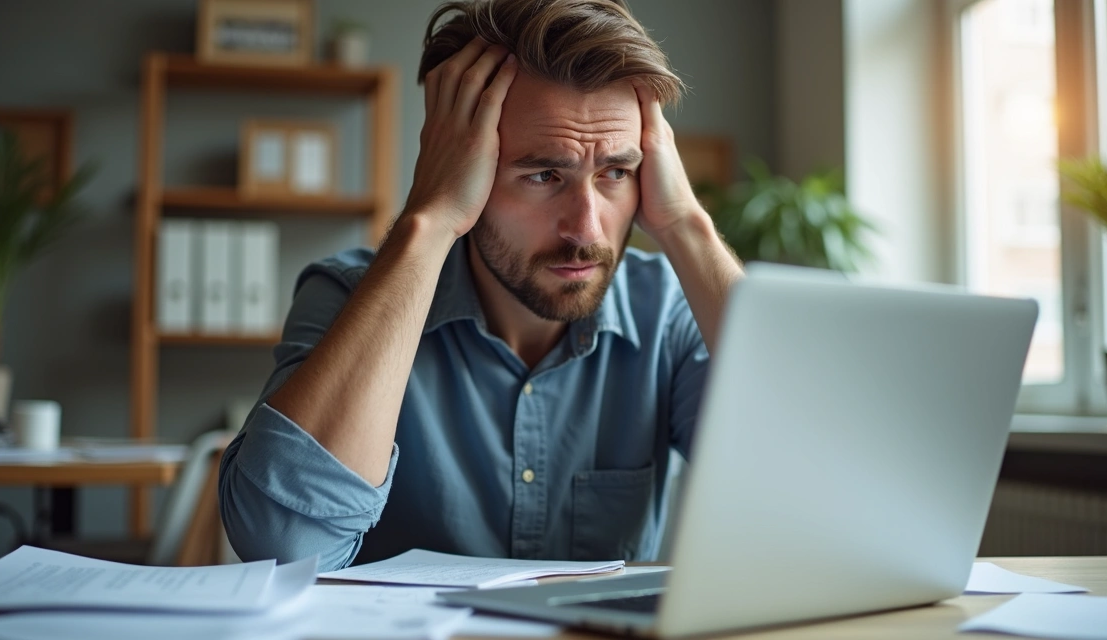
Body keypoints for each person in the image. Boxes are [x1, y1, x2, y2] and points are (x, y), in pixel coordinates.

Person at [218, 0, 744, 572]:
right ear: (462, 166)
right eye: (543, 175)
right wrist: (430, 215)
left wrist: (686, 226)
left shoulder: (664, 311)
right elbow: (285, 544)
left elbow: (826, 485)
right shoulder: (346, 296)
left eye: (615, 173)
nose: (587, 230)